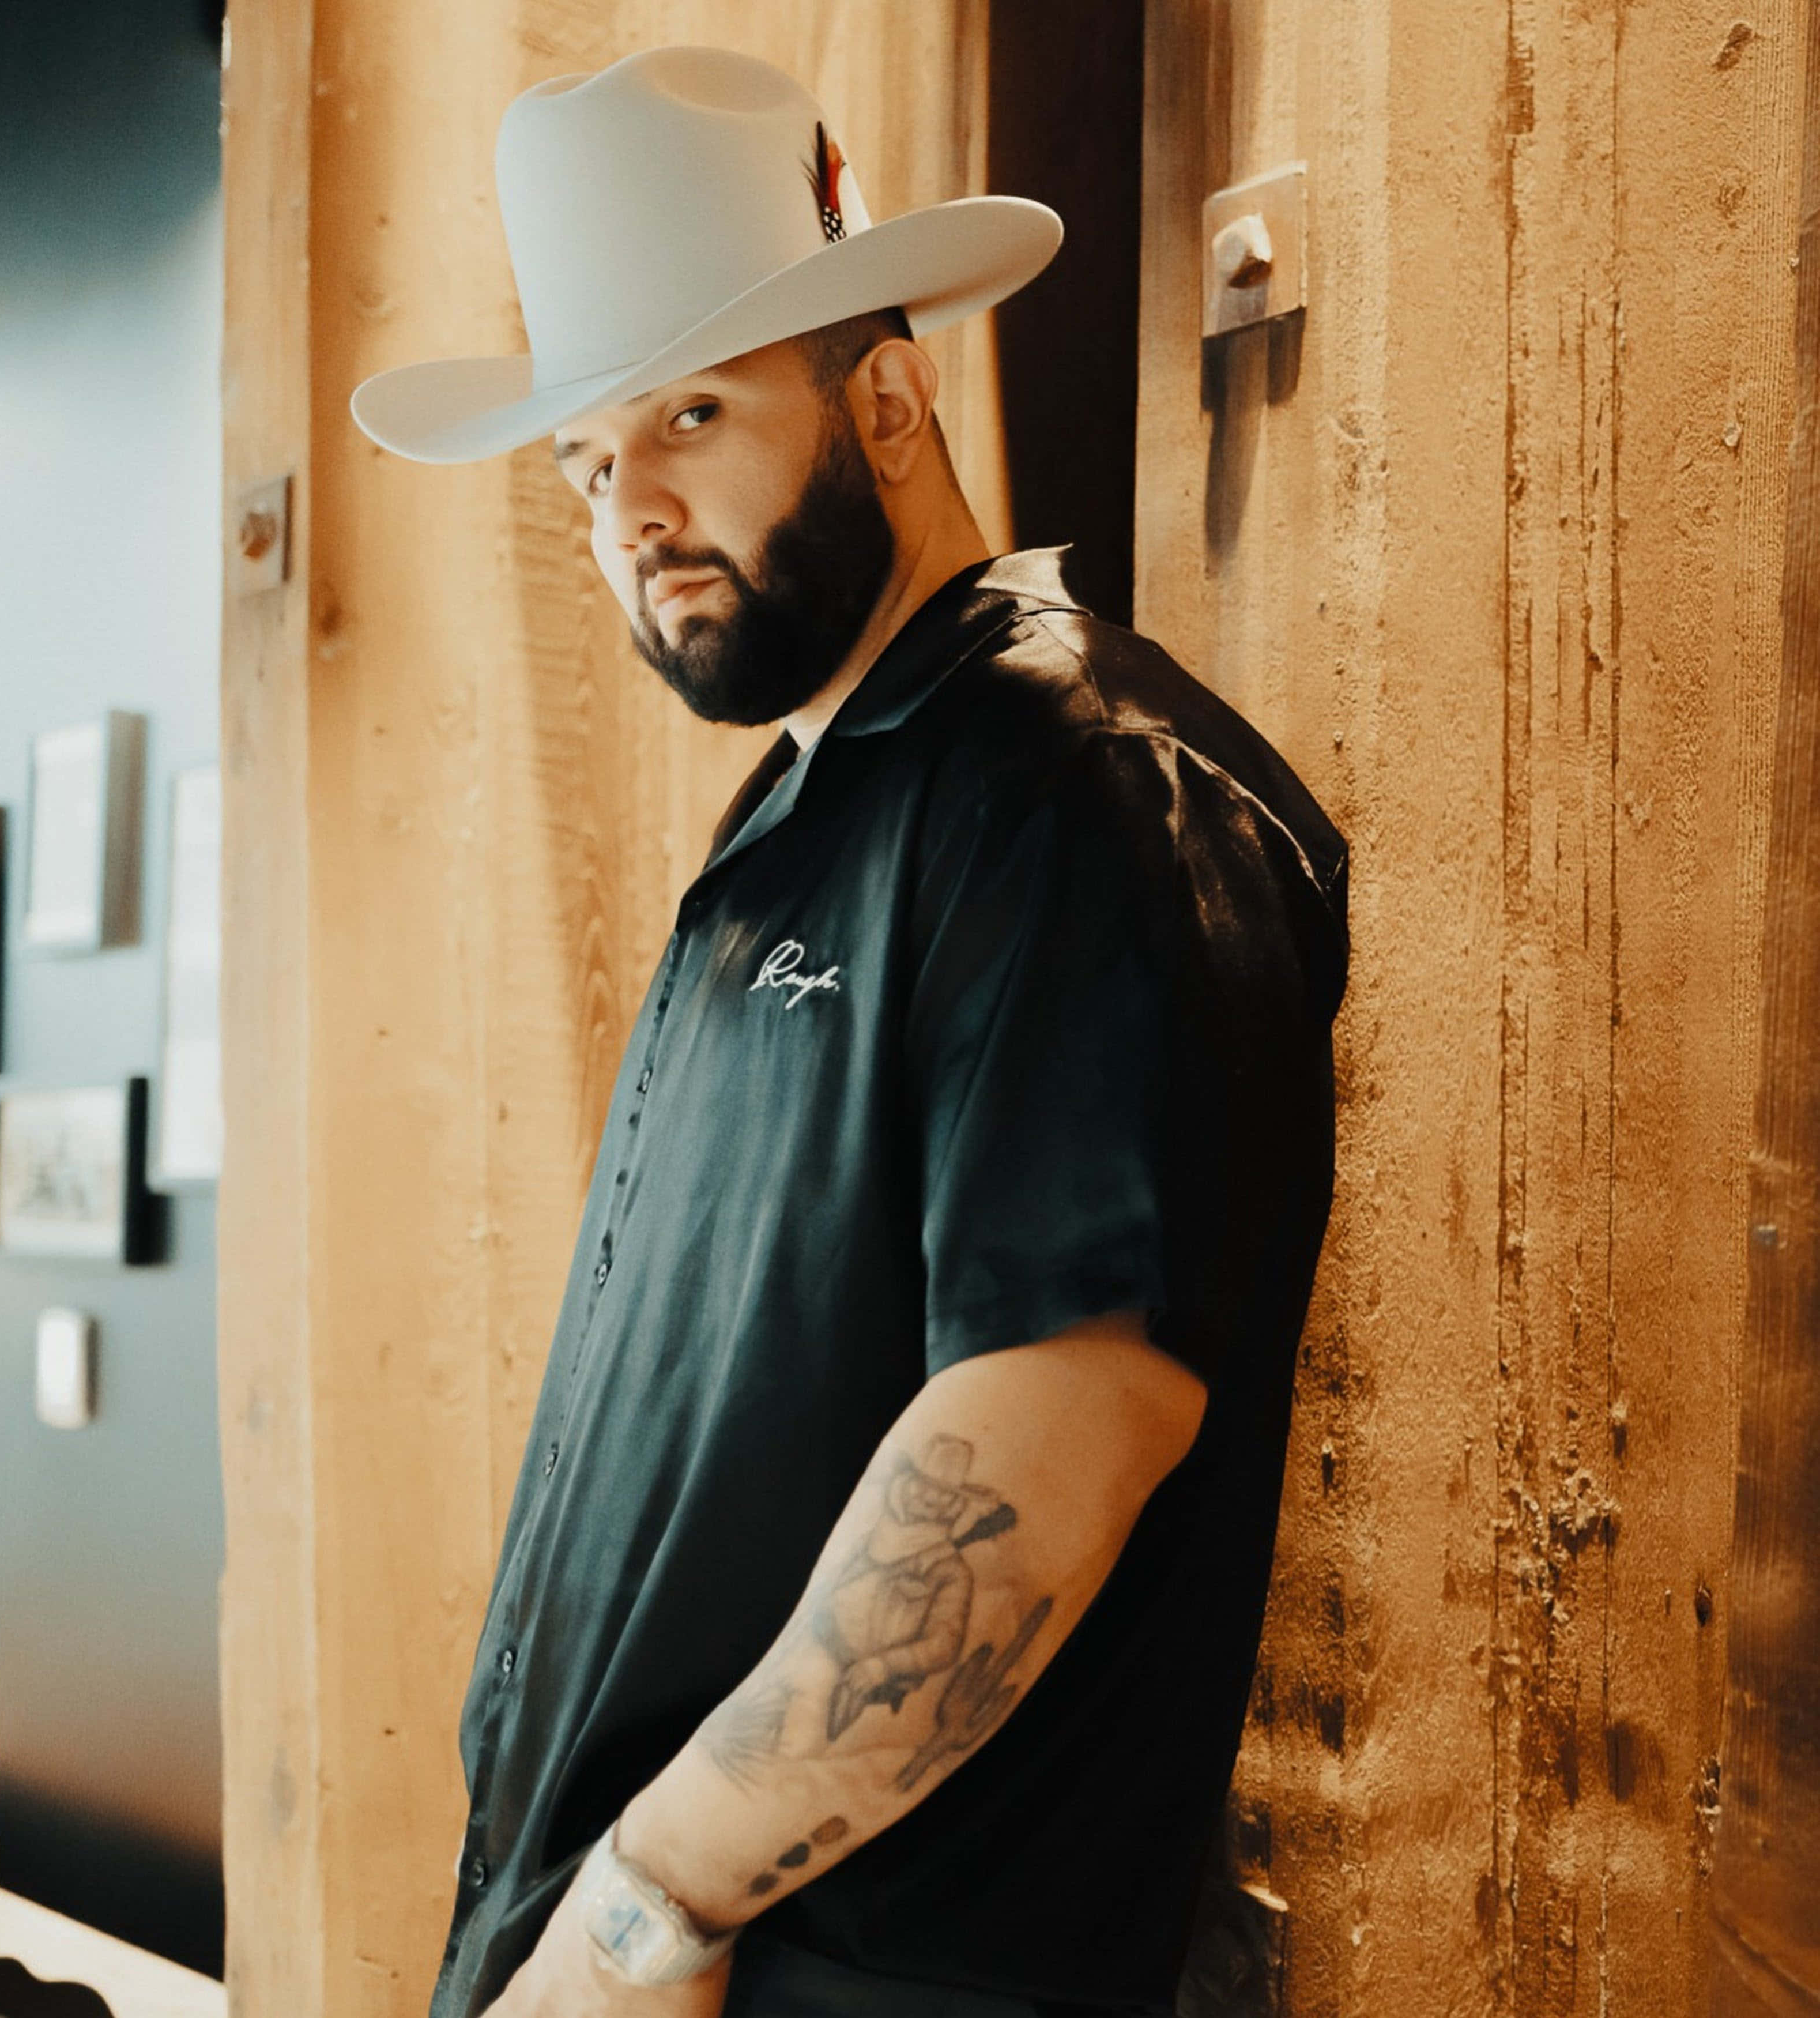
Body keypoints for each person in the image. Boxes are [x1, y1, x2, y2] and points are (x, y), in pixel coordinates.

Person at [351, 42, 1350, 2018]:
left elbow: (1055, 1429)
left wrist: (643, 1911)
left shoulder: (1079, 784)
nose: (629, 509)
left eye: (688, 414)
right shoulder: (808, 814)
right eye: (583, 461)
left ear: (885, 402)